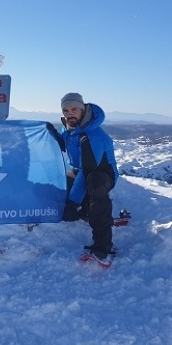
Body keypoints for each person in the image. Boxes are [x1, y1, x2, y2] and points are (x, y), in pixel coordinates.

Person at [59, 92, 119, 259]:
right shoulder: (69, 129)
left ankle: (103, 244)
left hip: (102, 175)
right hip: (81, 171)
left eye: (74, 109)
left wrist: (72, 202)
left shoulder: (94, 135)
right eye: (66, 110)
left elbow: (88, 170)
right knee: (61, 183)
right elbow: (61, 142)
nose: (69, 113)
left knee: (95, 184)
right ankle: (86, 209)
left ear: (83, 110)